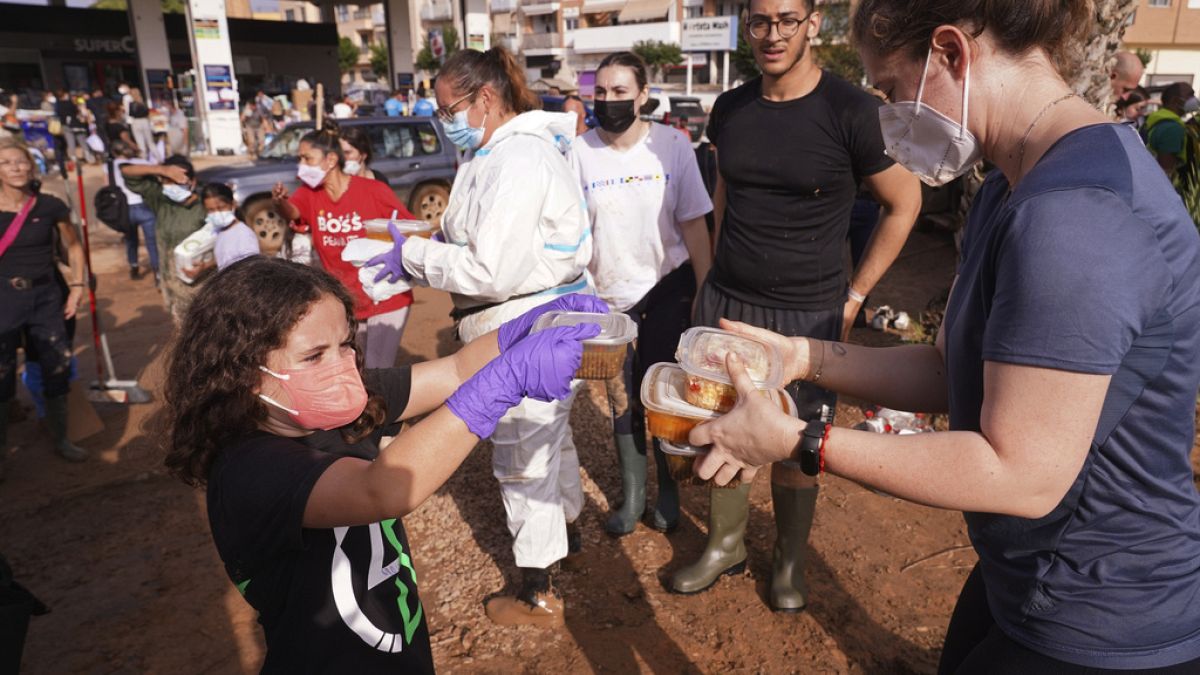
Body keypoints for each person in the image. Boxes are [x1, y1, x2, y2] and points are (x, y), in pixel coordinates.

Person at [691, 0, 1200, 671]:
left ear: (952, 53)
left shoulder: (1074, 221)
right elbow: (949, 367)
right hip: (1021, 577)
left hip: (1100, 616)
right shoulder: (1011, 183)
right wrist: (803, 354)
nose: (889, 113)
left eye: (893, 90)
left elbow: (1019, 472)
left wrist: (798, 440)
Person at [158, 255, 603, 671]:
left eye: (345, 344)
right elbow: (380, 491)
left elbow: (455, 371)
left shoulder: (335, 404)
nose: (342, 366)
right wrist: (501, 385)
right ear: (242, 370)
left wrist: (518, 332)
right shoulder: (249, 469)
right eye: (314, 356)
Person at [666, 0, 921, 610]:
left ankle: (787, 563)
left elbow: (904, 203)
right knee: (720, 425)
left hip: (808, 315)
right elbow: (727, 187)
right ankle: (725, 546)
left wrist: (855, 298)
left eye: (786, 20)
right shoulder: (730, 108)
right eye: (759, 22)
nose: (772, 35)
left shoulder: (852, 111)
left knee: (796, 440)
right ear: (746, 27)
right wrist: (712, 274)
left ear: (813, 22)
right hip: (729, 302)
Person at [367, 46, 598, 628]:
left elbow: (493, 268)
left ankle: (538, 590)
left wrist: (415, 257)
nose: (443, 122)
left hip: (522, 320)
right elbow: (480, 233)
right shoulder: (500, 152)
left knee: (522, 456)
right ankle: (568, 528)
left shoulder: (518, 159)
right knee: (550, 441)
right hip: (533, 318)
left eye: (448, 110)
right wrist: (428, 238)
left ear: (485, 100)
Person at [568, 51, 713, 536]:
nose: (608, 102)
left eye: (620, 92)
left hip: (668, 287)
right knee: (621, 399)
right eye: (601, 93)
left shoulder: (672, 145)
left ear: (643, 95)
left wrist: (704, 290)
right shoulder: (579, 151)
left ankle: (668, 495)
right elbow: (570, 231)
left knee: (665, 399)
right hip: (606, 295)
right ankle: (633, 498)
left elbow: (694, 222)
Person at [270, 126, 416, 369]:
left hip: (385, 293)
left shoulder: (373, 190)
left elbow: (409, 228)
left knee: (377, 370)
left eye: (307, 158)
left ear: (330, 160)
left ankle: (383, 406)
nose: (302, 165)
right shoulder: (310, 195)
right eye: (300, 159)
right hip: (347, 300)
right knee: (355, 369)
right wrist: (279, 202)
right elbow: (292, 213)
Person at [0, 138, 88, 474]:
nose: (16, 168)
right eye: (7, 162)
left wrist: (77, 286)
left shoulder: (49, 206)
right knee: (2, 374)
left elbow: (74, 247)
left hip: (46, 297)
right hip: (4, 298)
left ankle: (62, 439)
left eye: (21, 162)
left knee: (55, 364)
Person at [120, 155, 206, 321]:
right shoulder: (161, 200)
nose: (170, 186)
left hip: (202, 286)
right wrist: (161, 169)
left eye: (176, 181)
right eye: (166, 181)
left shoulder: (205, 206)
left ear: (192, 181)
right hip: (173, 285)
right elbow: (126, 171)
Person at [106, 139, 160, 282]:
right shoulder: (142, 162)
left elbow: (108, 186)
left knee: (131, 240)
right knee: (152, 241)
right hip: (144, 205)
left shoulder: (110, 166)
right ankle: (157, 272)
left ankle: (134, 266)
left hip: (125, 209)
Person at [1144, 82, 1198, 180]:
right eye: (1190, 95)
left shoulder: (1155, 119)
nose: (1195, 99)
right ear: (1176, 101)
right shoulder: (1172, 129)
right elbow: (1165, 171)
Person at [202, 183, 259, 269]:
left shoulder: (244, 235)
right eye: (211, 210)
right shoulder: (220, 232)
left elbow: (252, 268)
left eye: (221, 208)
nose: (216, 213)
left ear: (233, 205)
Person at [127, 88, 157, 162]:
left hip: (136, 122)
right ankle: (158, 158)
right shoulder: (143, 103)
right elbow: (147, 113)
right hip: (145, 121)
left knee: (140, 143)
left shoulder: (132, 104)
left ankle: (144, 160)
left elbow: (131, 114)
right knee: (150, 142)